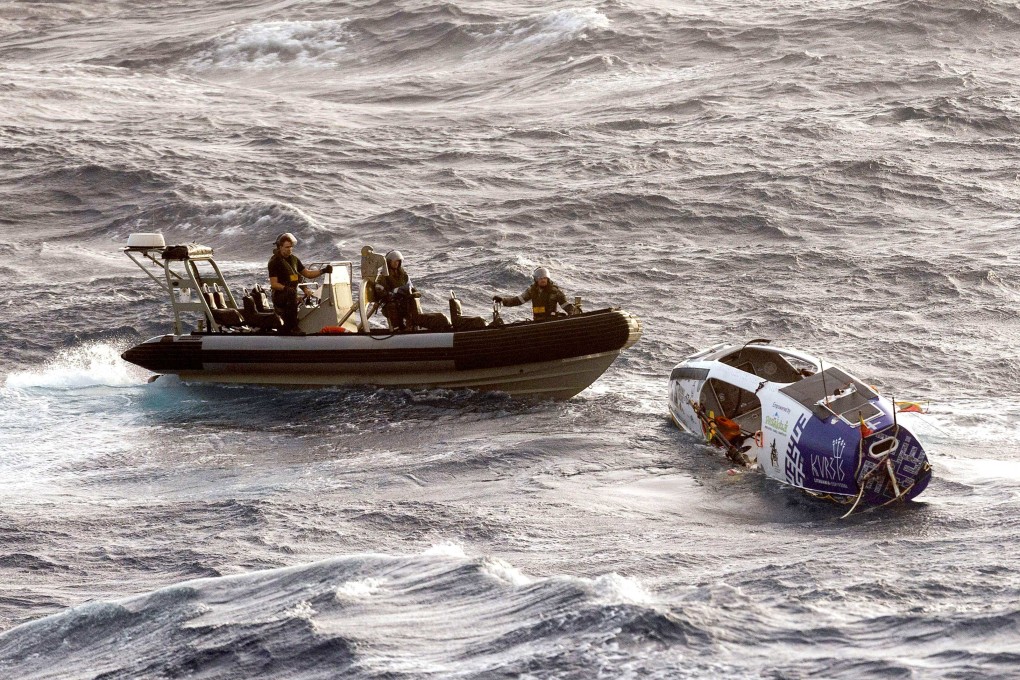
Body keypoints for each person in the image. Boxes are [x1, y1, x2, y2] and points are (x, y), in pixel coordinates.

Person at [268, 232, 332, 334]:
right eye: (287, 247)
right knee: (292, 293)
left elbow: (307, 274)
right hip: (279, 296)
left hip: (291, 294)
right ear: (280, 247)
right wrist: (287, 289)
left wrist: (323, 271)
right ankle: (293, 327)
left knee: (299, 294)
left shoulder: (294, 259)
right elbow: (274, 284)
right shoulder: (274, 262)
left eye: (291, 247)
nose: (289, 249)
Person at [493, 267, 576, 320]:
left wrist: (573, 313)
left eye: (544, 278)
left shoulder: (555, 291)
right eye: (540, 278)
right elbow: (518, 300)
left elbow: (565, 305)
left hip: (551, 320)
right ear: (536, 280)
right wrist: (502, 300)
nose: (543, 280)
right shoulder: (532, 291)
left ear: (547, 278)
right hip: (537, 320)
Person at [374, 250, 417, 331]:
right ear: (388, 262)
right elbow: (379, 290)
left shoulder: (403, 275)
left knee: (412, 302)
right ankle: (397, 328)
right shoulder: (383, 277)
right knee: (392, 305)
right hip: (389, 303)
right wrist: (391, 294)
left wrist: (414, 292)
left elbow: (410, 286)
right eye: (394, 261)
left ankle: (412, 325)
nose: (396, 263)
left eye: (398, 261)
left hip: (403, 301)